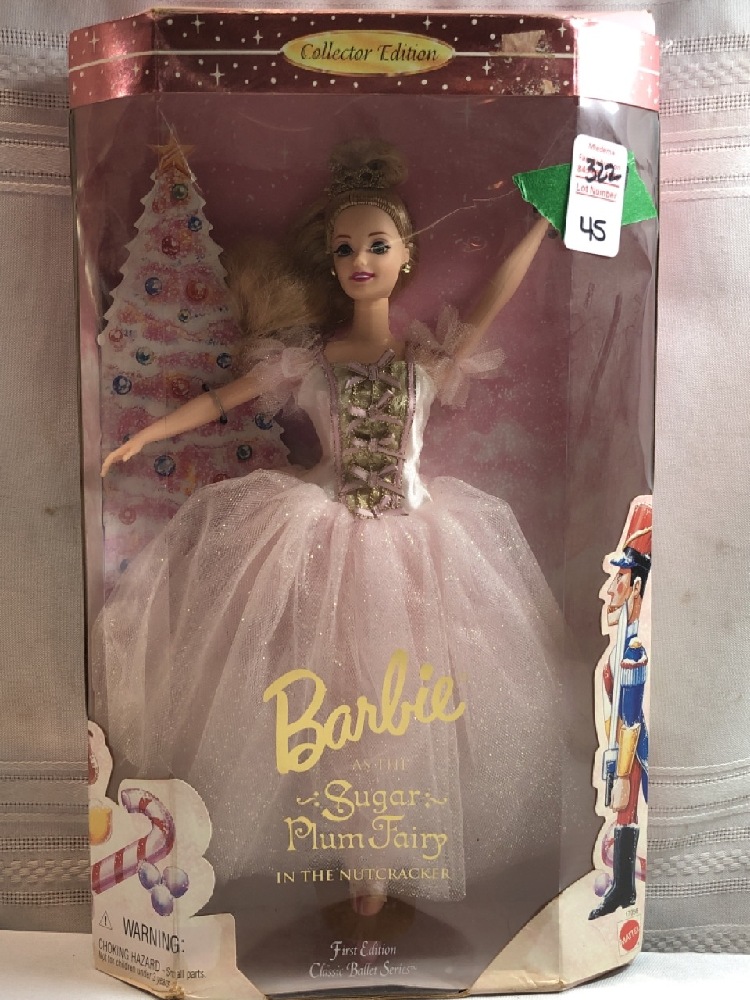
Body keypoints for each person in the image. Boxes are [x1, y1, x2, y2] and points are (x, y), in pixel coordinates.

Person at [94, 138, 562, 919]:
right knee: (321, 689)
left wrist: (547, 217)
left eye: (377, 245)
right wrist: (146, 434)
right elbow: (221, 399)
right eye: (345, 248)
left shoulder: (427, 359)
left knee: (404, 691)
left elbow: (493, 298)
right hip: (319, 534)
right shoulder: (306, 359)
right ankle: (346, 858)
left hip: (418, 539)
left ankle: (379, 862)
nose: (360, 261)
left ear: (406, 255)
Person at [590, 502, 651, 920]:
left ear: (637, 585)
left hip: (636, 742)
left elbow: (633, 716)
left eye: (621, 577)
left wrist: (622, 763)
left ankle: (629, 885)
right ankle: (624, 887)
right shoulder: (622, 645)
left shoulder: (635, 649)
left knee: (630, 802)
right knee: (623, 809)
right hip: (622, 739)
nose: (611, 587)